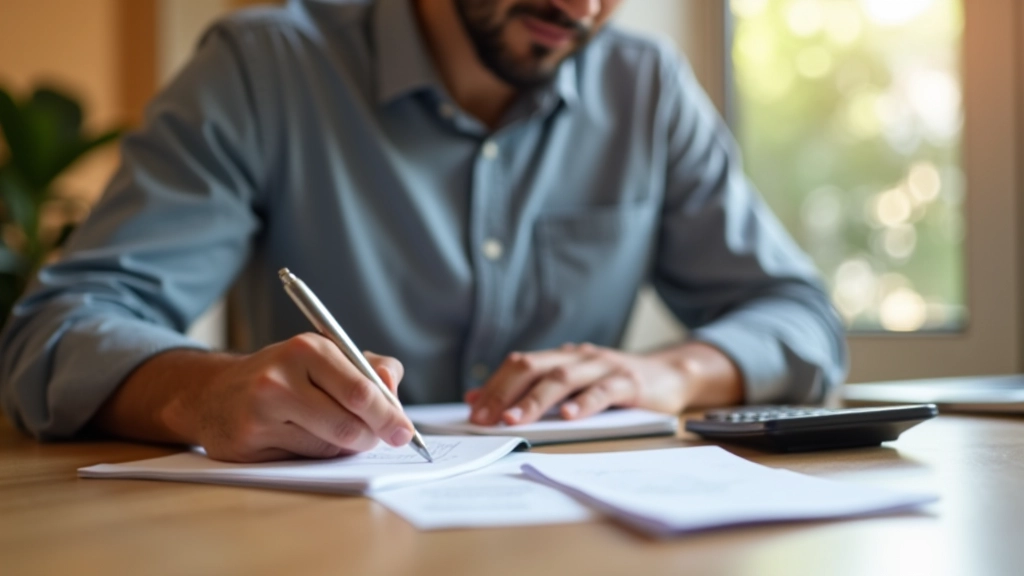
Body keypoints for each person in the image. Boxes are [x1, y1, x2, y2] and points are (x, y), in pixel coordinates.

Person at [0, 0, 847, 462]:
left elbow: (801, 318)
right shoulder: (265, 68)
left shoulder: (646, 88)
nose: (582, 7)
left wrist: (670, 374)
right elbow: (54, 332)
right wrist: (204, 392)